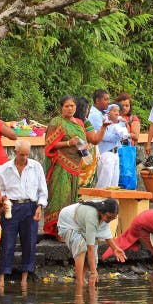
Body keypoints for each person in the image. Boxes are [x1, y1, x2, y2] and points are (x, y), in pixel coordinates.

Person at [43, 96, 97, 236]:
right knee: (61, 196)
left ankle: (69, 228)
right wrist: (68, 143)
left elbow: (84, 141)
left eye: (72, 106)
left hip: (75, 165)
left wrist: (83, 148)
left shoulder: (79, 122)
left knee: (72, 198)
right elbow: (50, 144)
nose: (70, 109)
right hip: (61, 165)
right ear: (61, 107)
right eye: (67, 106)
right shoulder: (57, 122)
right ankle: (57, 230)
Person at [0, 140, 48, 286]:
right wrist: (3, 198)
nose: (24, 157)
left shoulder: (36, 166)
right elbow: (0, 189)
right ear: (15, 152)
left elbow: (42, 190)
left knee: (30, 242)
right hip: (11, 207)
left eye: (26, 154)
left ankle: (25, 277)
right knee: (7, 241)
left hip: (30, 207)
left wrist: (40, 206)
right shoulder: (5, 169)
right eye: (21, 154)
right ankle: (2, 277)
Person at [57, 199, 126, 287]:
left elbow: (105, 233)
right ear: (102, 212)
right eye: (109, 217)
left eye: (113, 218)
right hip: (68, 223)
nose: (110, 220)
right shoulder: (92, 216)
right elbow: (90, 248)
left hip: (82, 224)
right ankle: (79, 282)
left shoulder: (106, 216)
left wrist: (115, 248)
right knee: (81, 246)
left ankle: (82, 277)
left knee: (95, 245)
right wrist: (93, 272)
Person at [95, 103, 130, 189]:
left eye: (118, 111)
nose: (117, 113)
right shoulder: (104, 122)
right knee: (105, 182)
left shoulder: (120, 123)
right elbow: (105, 136)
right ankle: (100, 200)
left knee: (114, 182)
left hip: (115, 153)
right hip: (106, 154)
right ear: (108, 112)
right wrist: (118, 137)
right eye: (114, 111)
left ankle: (111, 202)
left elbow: (125, 135)